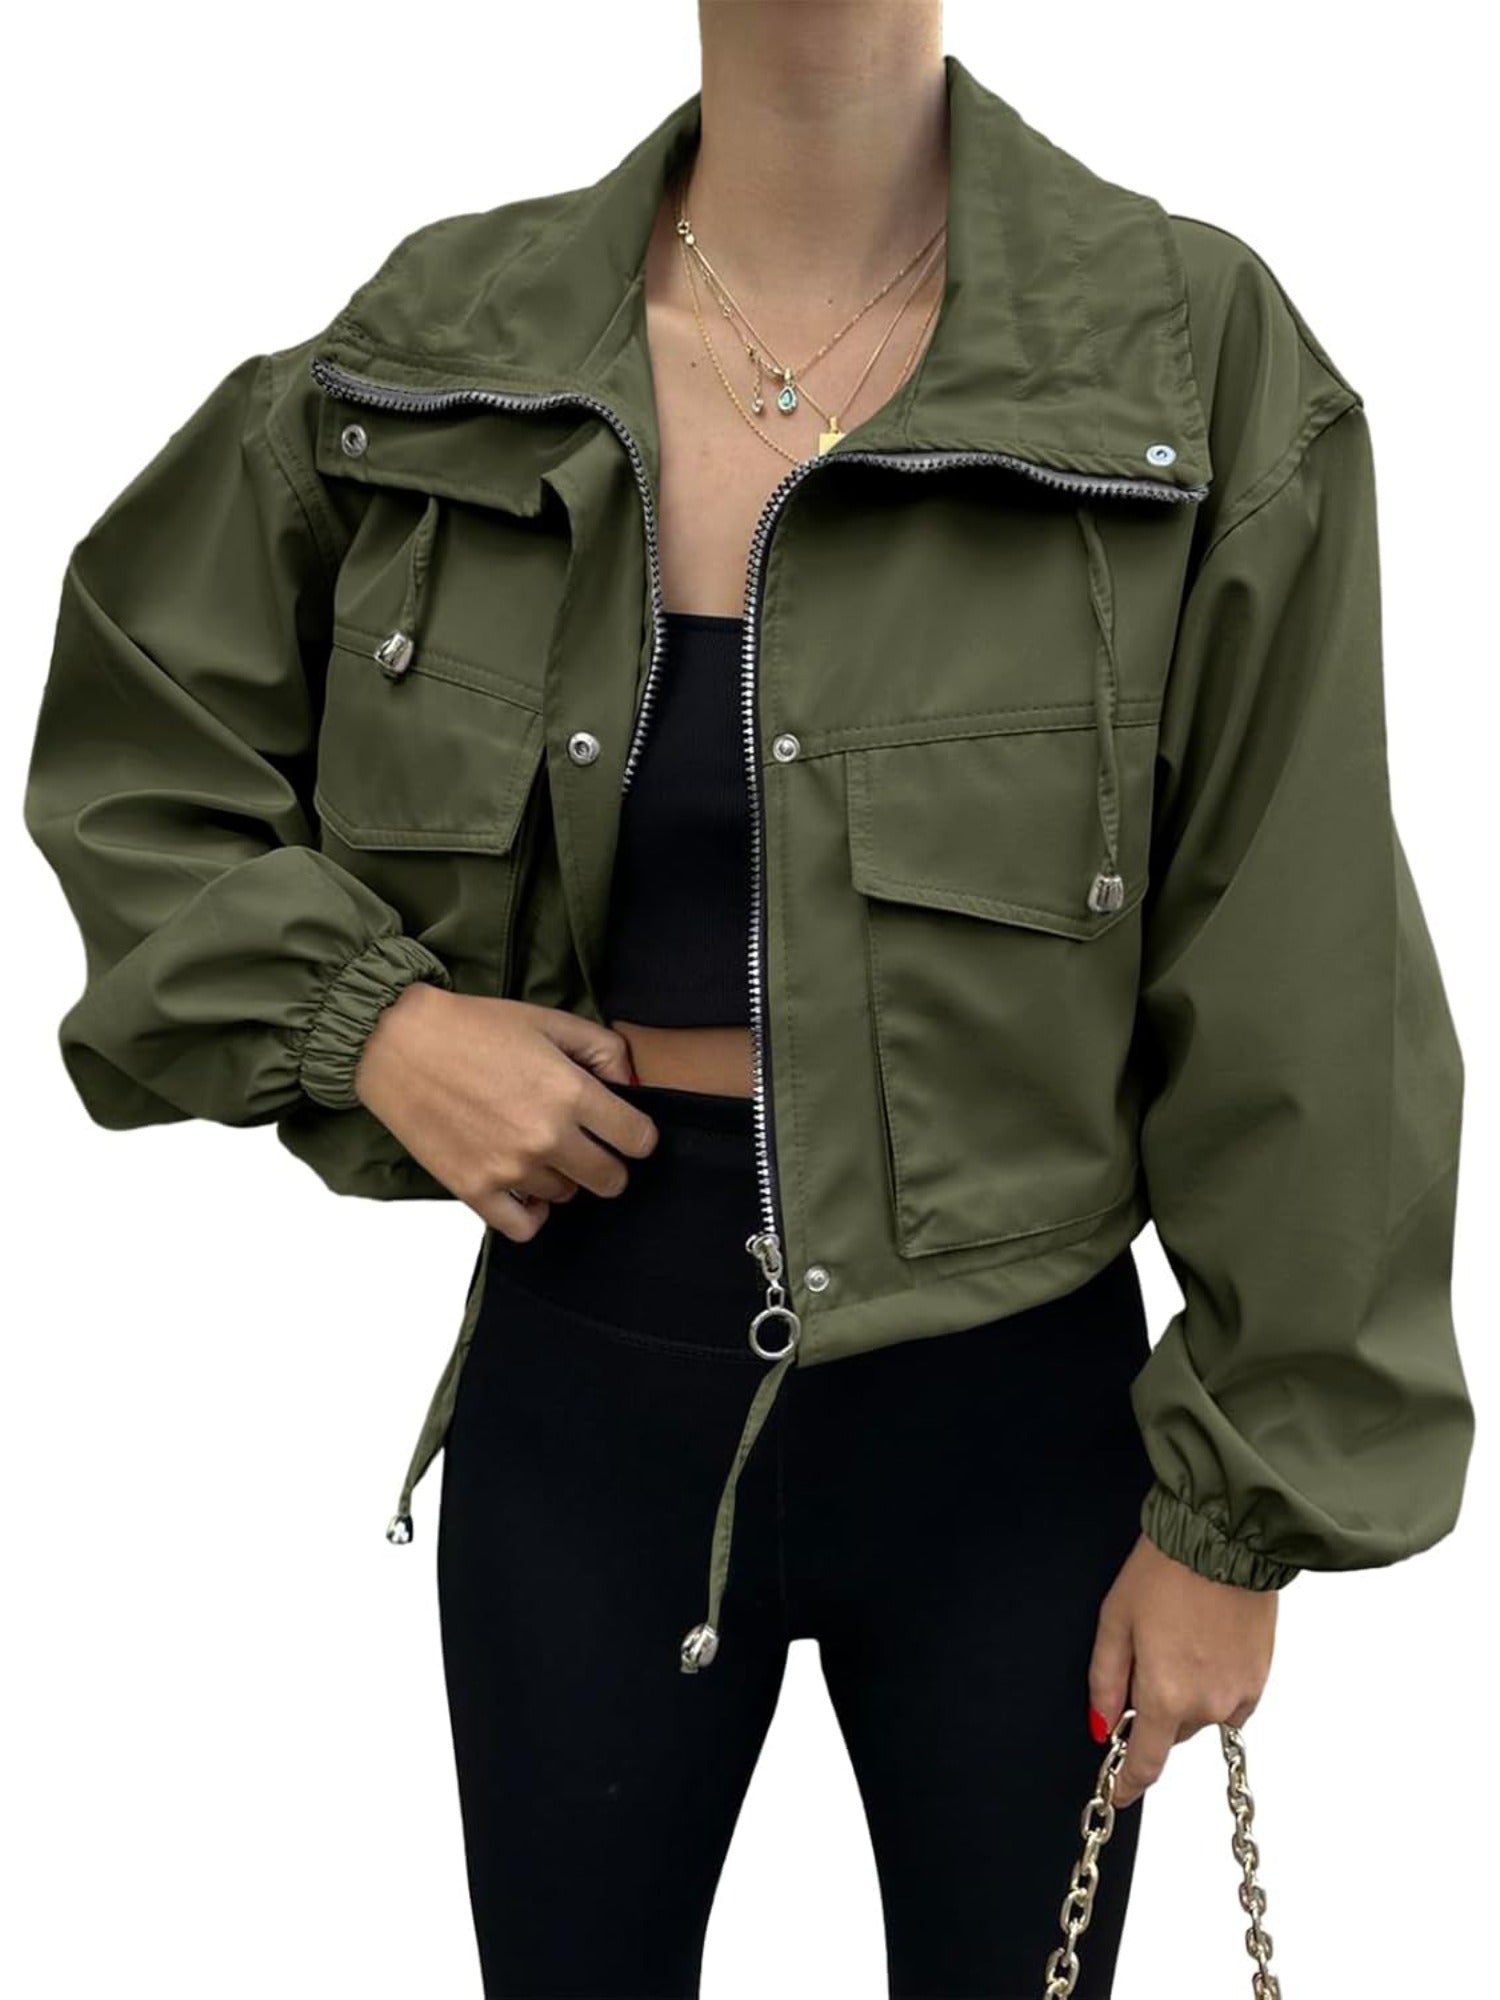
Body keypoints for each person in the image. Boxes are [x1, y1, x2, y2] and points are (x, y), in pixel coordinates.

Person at [23, 5, 1473, 1995]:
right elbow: (142, 746)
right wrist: (374, 1020)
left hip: (1022, 1451)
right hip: (584, 1404)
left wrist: (1237, 1523)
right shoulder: (444, 341)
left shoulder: (1181, 351)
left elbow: (1304, 964)